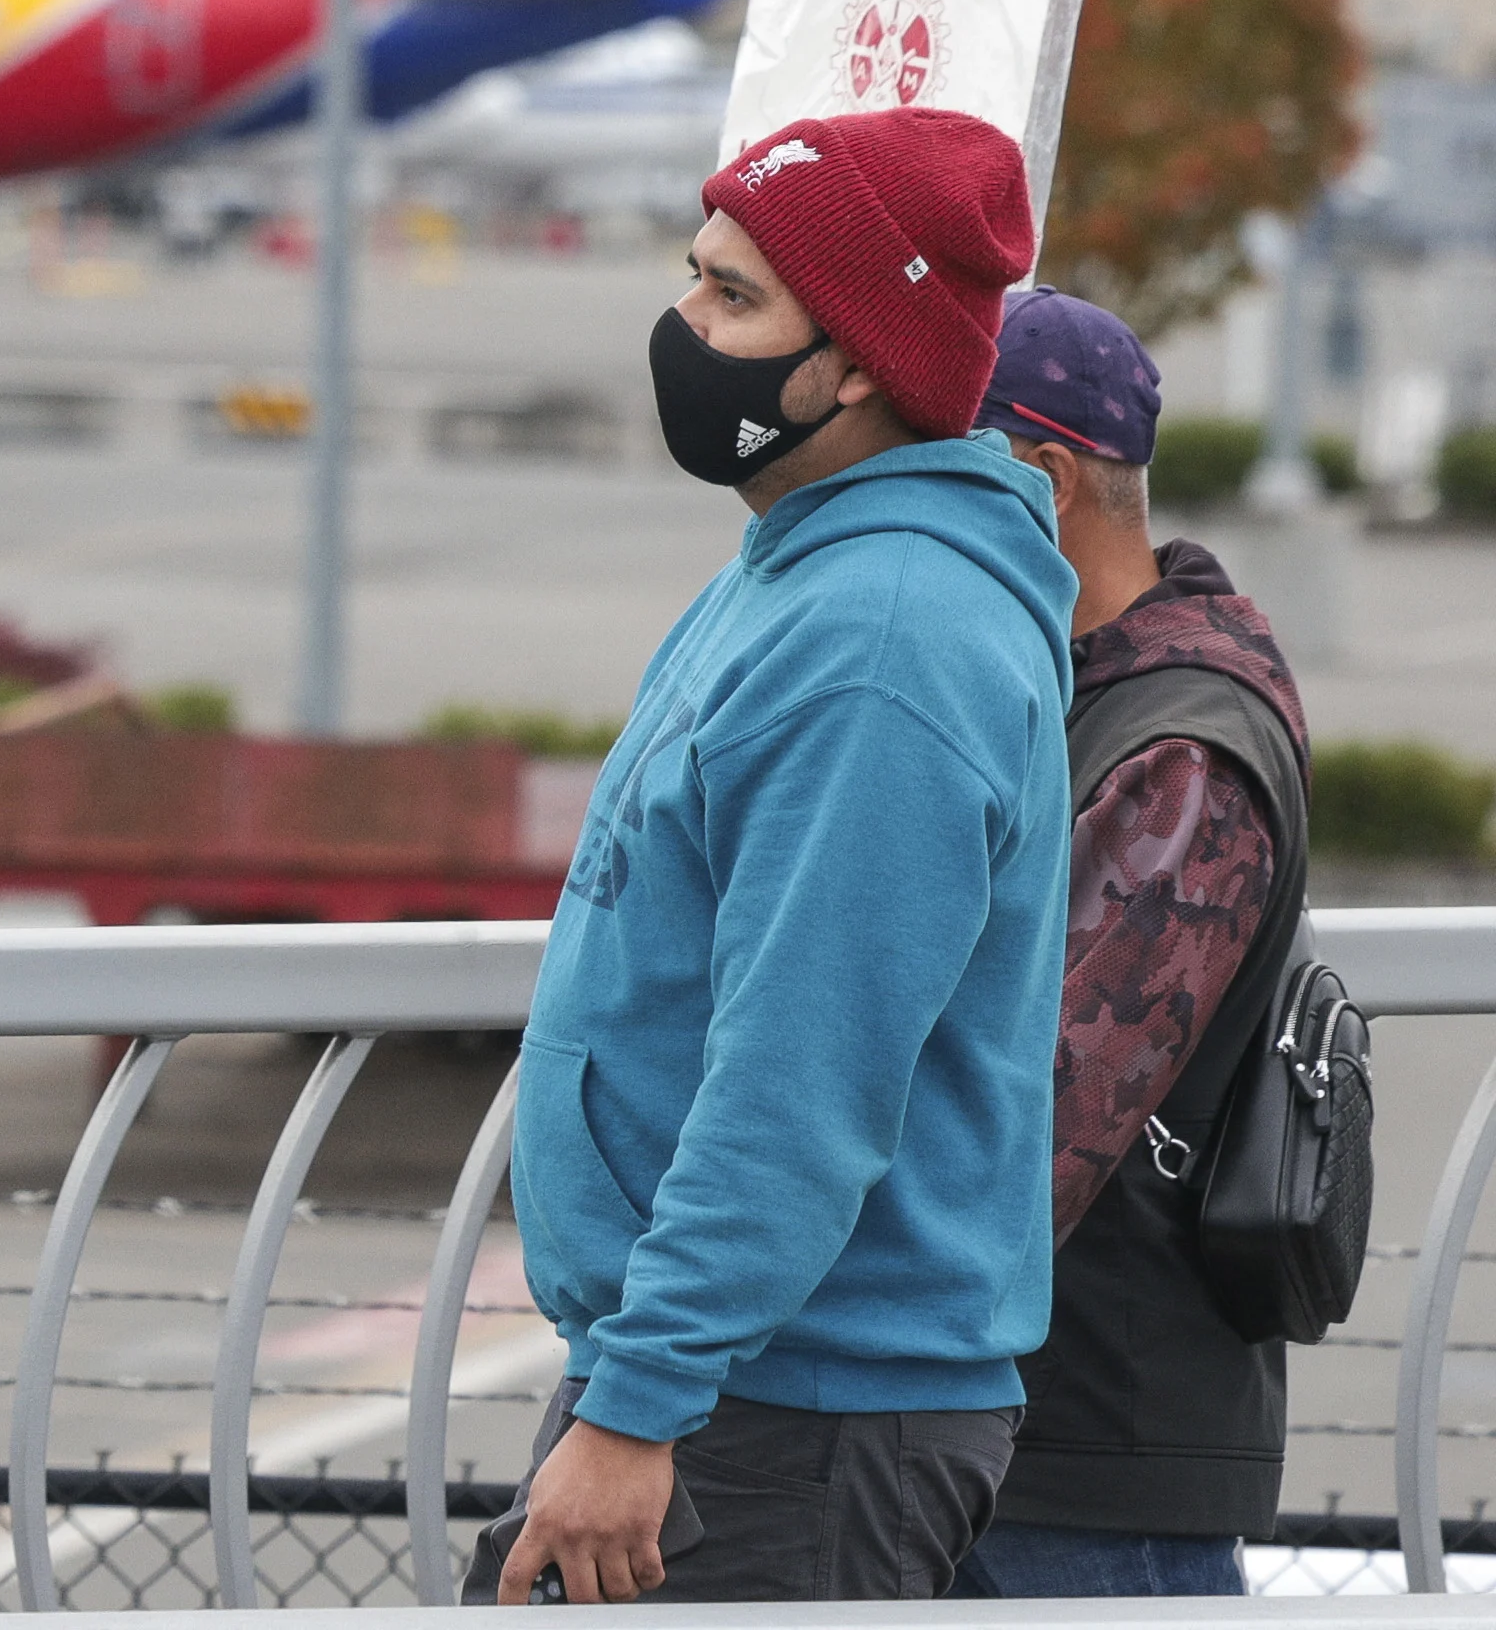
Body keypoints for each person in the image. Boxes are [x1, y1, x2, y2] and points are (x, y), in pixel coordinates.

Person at [471, 108, 1077, 1607]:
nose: (681, 326)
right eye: (694, 273)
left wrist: (637, 1406)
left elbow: (801, 1078)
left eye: (734, 298)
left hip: (785, 1415)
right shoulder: (799, 570)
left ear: (863, 361)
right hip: (719, 1390)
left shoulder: (880, 642)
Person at [950, 290, 1312, 1599]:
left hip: (1087, 1460)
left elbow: (1043, 1120)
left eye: (931, 463)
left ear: (1037, 480)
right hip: (1033, 1428)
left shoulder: (1178, 751)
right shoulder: (1075, 687)